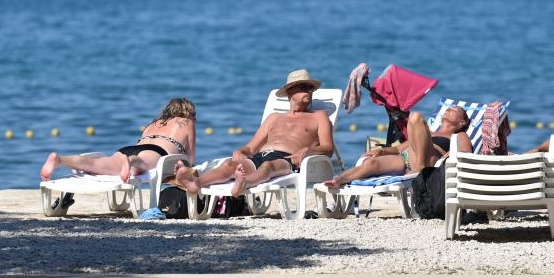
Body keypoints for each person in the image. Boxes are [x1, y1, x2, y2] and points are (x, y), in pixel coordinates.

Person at [175, 69, 334, 197]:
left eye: (311, 88)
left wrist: (307, 150)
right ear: (290, 92)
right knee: (230, 164)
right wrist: (240, 151)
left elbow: (328, 148)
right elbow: (251, 148)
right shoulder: (274, 117)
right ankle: (196, 182)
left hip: (288, 159)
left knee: (267, 166)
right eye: (303, 87)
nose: (309, 91)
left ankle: (244, 183)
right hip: (260, 155)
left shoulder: (319, 116)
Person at [40, 98, 197, 182]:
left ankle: (59, 159)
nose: (195, 118)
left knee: (94, 164)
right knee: (140, 164)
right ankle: (130, 162)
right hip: (155, 152)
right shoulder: (186, 122)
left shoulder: (154, 123)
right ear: (187, 112)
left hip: (128, 148)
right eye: (194, 114)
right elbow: (190, 158)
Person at [324, 105, 473, 188]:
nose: (449, 109)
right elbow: (398, 149)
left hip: (429, 161)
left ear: (462, 123)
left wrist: (450, 155)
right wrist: (381, 150)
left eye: (455, 110)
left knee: (415, 117)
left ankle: (418, 170)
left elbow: (466, 153)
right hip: (407, 158)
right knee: (371, 163)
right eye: (448, 108)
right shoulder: (429, 132)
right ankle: (339, 180)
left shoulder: (459, 136)